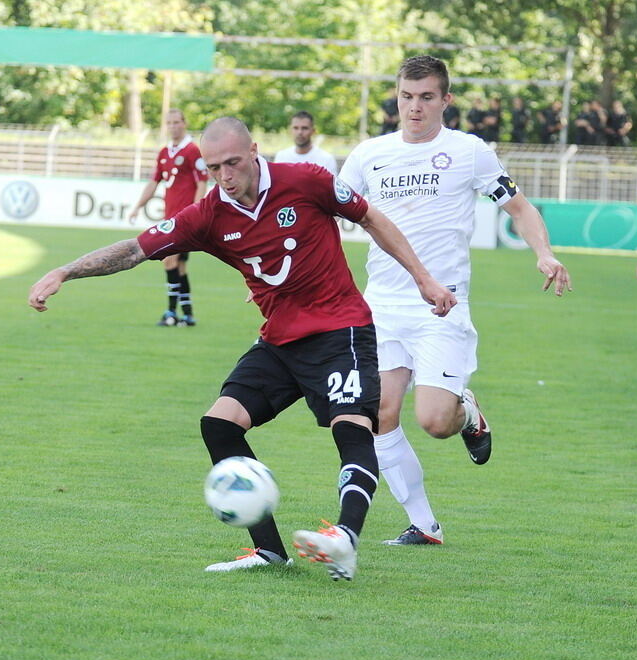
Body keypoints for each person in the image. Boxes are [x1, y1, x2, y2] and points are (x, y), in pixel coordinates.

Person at [29, 116, 457, 581]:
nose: (225, 176)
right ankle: (270, 551)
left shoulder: (306, 181)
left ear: (254, 150)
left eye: (232, 163)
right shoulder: (210, 214)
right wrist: (65, 271)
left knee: (352, 426)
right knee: (219, 424)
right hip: (278, 341)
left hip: (341, 330)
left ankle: (345, 540)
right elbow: (136, 249)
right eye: (213, 168)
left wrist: (424, 278)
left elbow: (371, 217)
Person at [340, 55, 571, 546]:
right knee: (379, 413)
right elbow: (329, 213)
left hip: (440, 307)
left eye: (426, 97)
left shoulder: (468, 152)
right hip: (380, 306)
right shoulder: (367, 155)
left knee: (435, 422)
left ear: (446, 99)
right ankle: (425, 525)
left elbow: (518, 206)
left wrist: (544, 253)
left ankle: (466, 410)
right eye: (406, 96)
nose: (415, 107)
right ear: (396, 97)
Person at [128, 109, 208, 326]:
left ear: (184, 123)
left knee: (169, 260)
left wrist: (196, 211)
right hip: (169, 219)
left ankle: (171, 313)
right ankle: (188, 314)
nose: (173, 126)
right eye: (169, 123)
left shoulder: (192, 151)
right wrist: (138, 206)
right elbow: (154, 182)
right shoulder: (164, 152)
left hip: (185, 219)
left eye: (176, 122)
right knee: (179, 266)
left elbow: (202, 183)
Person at [273, 110, 338, 175]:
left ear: (313, 131)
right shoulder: (281, 157)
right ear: (290, 130)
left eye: (304, 128)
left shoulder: (326, 159)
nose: (300, 132)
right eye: (295, 128)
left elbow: (331, 185)